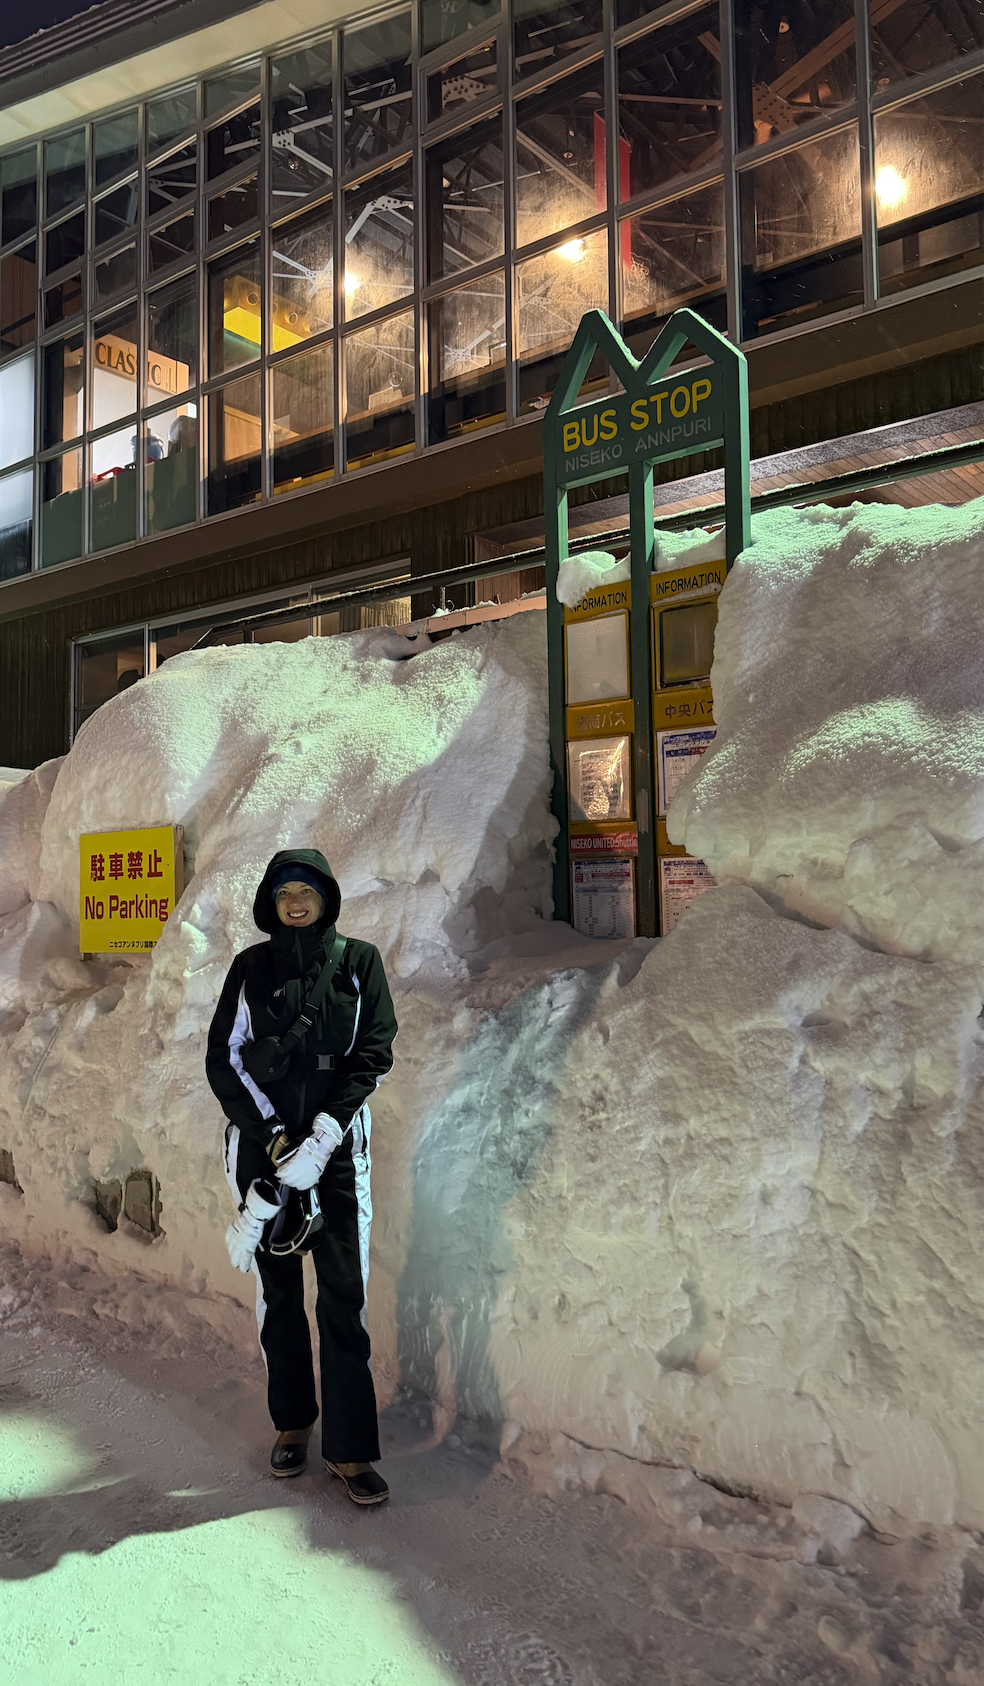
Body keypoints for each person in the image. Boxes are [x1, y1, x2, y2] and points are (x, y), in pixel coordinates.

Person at [206, 848, 397, 1505]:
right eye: (284, 890)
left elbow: (374, 1049)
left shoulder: (358, 963)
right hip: (266, 1151)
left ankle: (349, 1450)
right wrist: (275, 1137)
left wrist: (323, 1134)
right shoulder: (250, 967)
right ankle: (292, 1419)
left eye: (307, 891)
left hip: (338, 1152)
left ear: (325, 898)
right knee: (279, 1293)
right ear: (269, 899)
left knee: (343, 1295)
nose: (295, 901)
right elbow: (223, 1058)